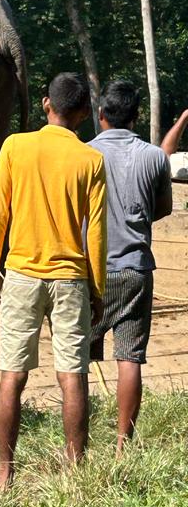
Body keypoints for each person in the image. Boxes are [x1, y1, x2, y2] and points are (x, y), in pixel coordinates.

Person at [0, 73, 107, 490]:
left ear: (45, 104)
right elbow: (96, 233)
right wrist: (98, 288)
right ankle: (75, 473)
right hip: (71, 279)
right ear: (85, 115)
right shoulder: (91, 160)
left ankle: (4, 472)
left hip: (21, 274)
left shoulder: (16, 147)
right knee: (72, 374)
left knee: (12, 375)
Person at [88, 81, 172, 454]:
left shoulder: (85, 154)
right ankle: (123, 443)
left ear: (101, 114)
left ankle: (78, 440)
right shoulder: (154, 157)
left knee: (77, 358)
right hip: (136, 269)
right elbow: (163, 208)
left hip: (92, 271)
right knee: (129, 357)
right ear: (136, 116)